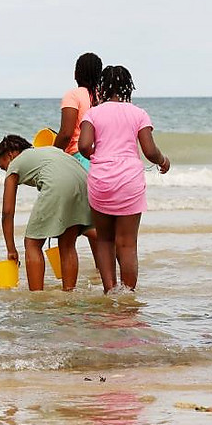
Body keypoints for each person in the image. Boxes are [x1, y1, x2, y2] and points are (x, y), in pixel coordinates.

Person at [78, 65, 169, 293]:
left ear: (101, 87)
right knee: (127, 244)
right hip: (129, 181)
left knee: (105, 240)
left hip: (101, 180)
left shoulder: (93, 113)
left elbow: (83, 146)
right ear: (128, 86)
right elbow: (149, 150)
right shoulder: (138, 113)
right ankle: (128, 295)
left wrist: (98, 156)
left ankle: (110, 291)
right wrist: (163, 161)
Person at [0, 134, 93, 291]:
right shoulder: (48, 151)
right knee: (67, 244)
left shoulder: (15, 164)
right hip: (85, 184)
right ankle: (69, 293)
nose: (6, 171)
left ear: (10, 155)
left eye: (3, 167)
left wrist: (11, 248)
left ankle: (36, 296)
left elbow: (7, 212)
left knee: (32, 244)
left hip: (58, 186)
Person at [53, 52, 103, 171]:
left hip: (78, 159)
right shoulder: (103, 97)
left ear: (76, 74)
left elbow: (66, 134)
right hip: (101, 158)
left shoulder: (73, 95)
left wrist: (52, 154)